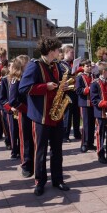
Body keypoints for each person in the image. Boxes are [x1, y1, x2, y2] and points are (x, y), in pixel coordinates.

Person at [18, 36, 70, 196]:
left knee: (57, 150)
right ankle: (39, 182)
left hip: (56, 115)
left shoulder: (57, 66)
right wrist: (44, 87)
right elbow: (23, 88)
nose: (59, 52)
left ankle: (58, 179)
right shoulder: (34, 66)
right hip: (41, 116)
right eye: (57, 50)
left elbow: (60, 83)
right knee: (40, 151)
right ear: (50, 51)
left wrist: (65, 86)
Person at [8, 55, 33, 177]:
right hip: (24, 113)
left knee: (34, 139)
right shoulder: (16, 80)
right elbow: (12, 100)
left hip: (33, 113)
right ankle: (26, 165)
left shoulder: (28, 77)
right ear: (22, 65)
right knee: (26, 140)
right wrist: (27, 109)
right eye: (28, 62)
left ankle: (33, 163)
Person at [60, 45, 81, 142]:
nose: (73, 54)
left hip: (74, 90)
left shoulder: (72, 63)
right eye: (71, 52)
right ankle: (65, 135)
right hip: (67, 91)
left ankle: (77, 133)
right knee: (68, 114)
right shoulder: (61, 64)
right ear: (65, 52)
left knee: (76, 113)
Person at [75, 59, 96, 153]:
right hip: (84, 103)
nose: (89, 67)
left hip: (93, 103)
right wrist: (88, 89)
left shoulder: (94, 76)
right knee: (86, 125)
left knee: (92, 124)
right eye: (87, 66)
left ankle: (91, 143)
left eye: (90, 66)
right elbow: (78, 90)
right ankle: (84, 143)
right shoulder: (80, 77)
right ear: (82, 67)